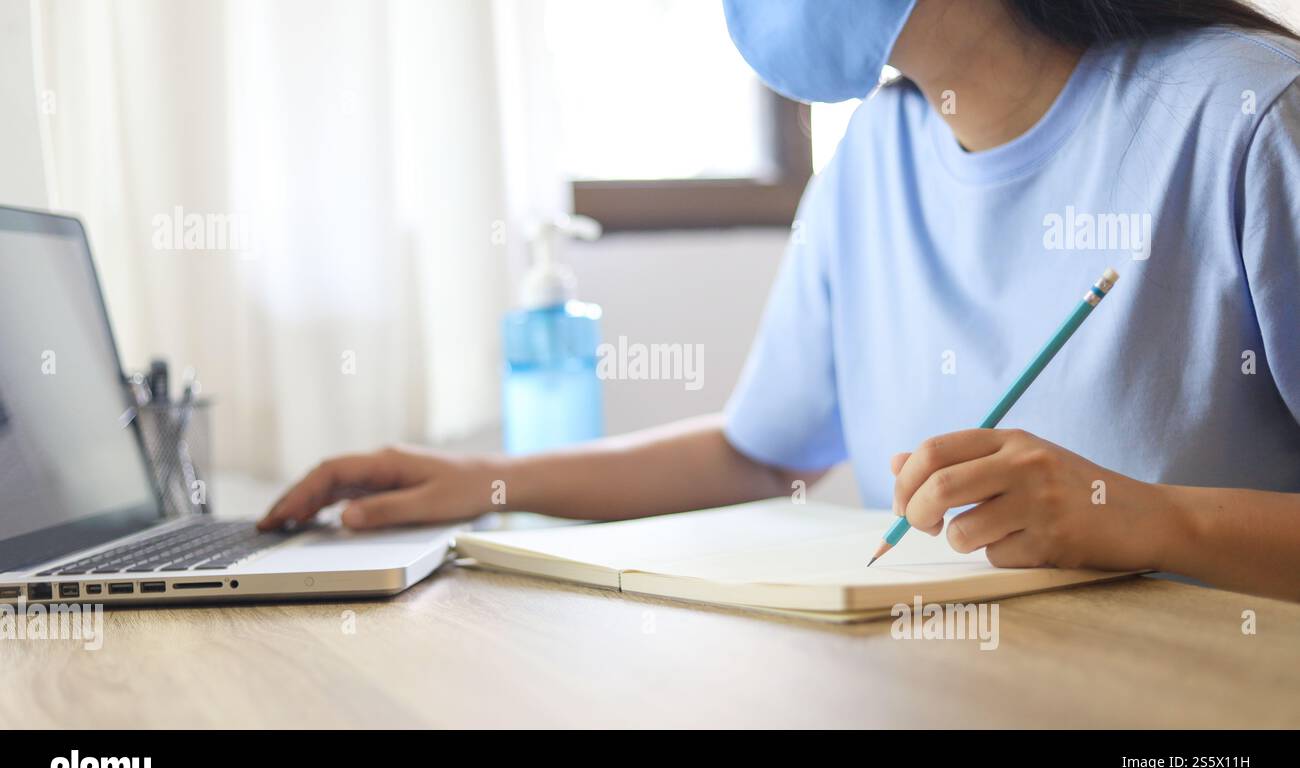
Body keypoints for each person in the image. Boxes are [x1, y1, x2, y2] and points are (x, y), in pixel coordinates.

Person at [260, 0, 1300, 601]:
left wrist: (1150, 518)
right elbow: (762, 451)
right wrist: (481, 482)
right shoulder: (876, 159)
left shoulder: (1250, 121)